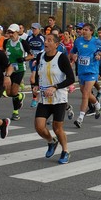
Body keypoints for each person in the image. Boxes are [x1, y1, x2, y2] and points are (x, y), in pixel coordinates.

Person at [33, 33, 76, 164]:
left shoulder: (61, 58)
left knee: (57, 128)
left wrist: (55, 87)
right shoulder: (40, 56)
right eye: (46, 40)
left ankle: (65, 151)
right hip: (44, 98)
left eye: (50, 40)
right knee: (39, 126)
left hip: (59, 98)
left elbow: (71, 79)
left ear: (56, 44)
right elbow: (38, 74)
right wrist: (35, 86)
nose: (46, 42)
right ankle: (52, 142)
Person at [70, 23, 101, 128]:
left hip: (92, 71)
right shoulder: (78, 41)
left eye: (86, 30)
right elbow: (72, 52)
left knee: (85, 93)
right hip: (82, 71)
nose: (84, 31)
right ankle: (97, 105)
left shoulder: (96, 41)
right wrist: (74, 56)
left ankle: (80, 118)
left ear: (91, 31)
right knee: (84, 91)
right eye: (83, 29)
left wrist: (99, 55)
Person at [4, 24, 33, 121]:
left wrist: (23, 59)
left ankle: (15, 112)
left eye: (12, 32)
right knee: (8, 93)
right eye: (9, 32)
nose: (11, 34)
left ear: (17, 32)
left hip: (20, 69)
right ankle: (20, 96)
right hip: (9, 69)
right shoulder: (6, 42)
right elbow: (4, 54)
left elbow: (31, 55)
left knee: (14, 91)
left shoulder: (22, 42)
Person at [26, 23, 45, 107]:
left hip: (40, 60)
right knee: (35, 80)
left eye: (35, 29)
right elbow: (26, 47)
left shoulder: (42, 38)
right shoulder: (29, 37)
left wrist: (40, 56)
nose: (33, 30)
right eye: (32, 28)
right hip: (32, 60)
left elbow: (45, 48)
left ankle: (36, 98)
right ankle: (35, 97)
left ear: (39, 29)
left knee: (33, 79)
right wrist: (29, 54)